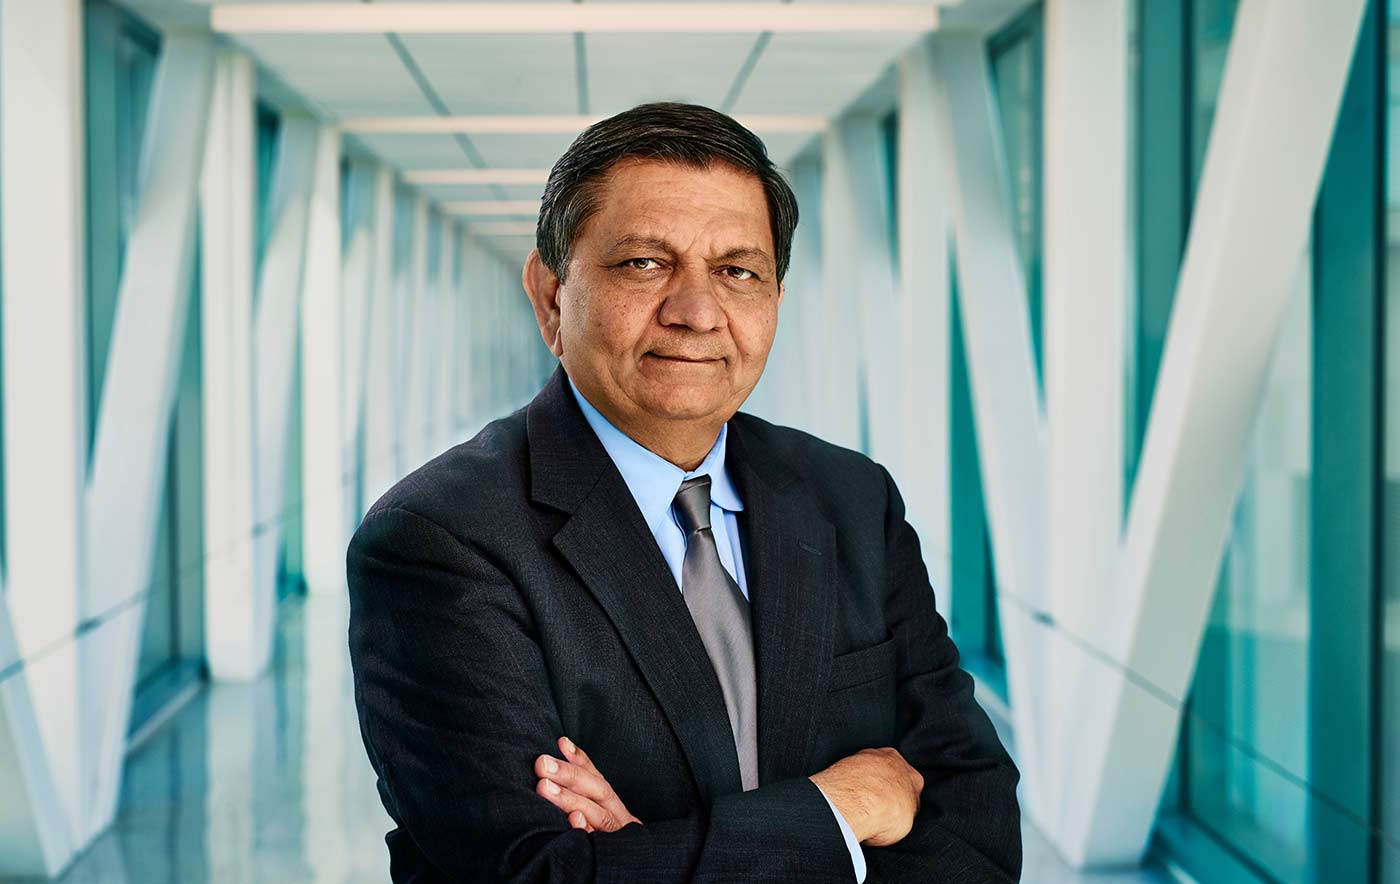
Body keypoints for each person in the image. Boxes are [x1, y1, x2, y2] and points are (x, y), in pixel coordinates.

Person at [346, 101, 1021, 883]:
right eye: (644, 263)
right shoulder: (439, 539)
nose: (698, 313)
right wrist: (840, 811)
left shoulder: (852, 500)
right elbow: (538, 875)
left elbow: (976, 826)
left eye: (738, 271)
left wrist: (649, 852)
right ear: (550, 295)